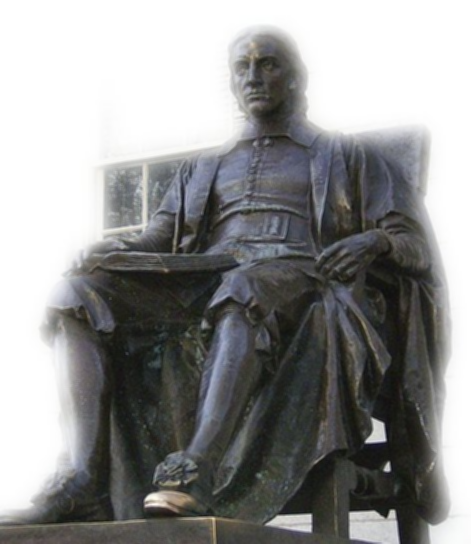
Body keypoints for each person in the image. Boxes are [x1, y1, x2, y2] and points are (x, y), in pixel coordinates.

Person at [1, 26, 449, 526]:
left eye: (268, 64)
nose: (253, 77)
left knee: (244, 288)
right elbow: (162, 235)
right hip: (207, 275)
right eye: (242, 67)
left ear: (297, 78)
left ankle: (196, 469)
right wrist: (119, 249)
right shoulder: (206, 165)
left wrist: (373, 241)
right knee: (76, 294)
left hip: (301, 275)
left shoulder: (346, 155)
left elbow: (413, 245)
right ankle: (84, 480)